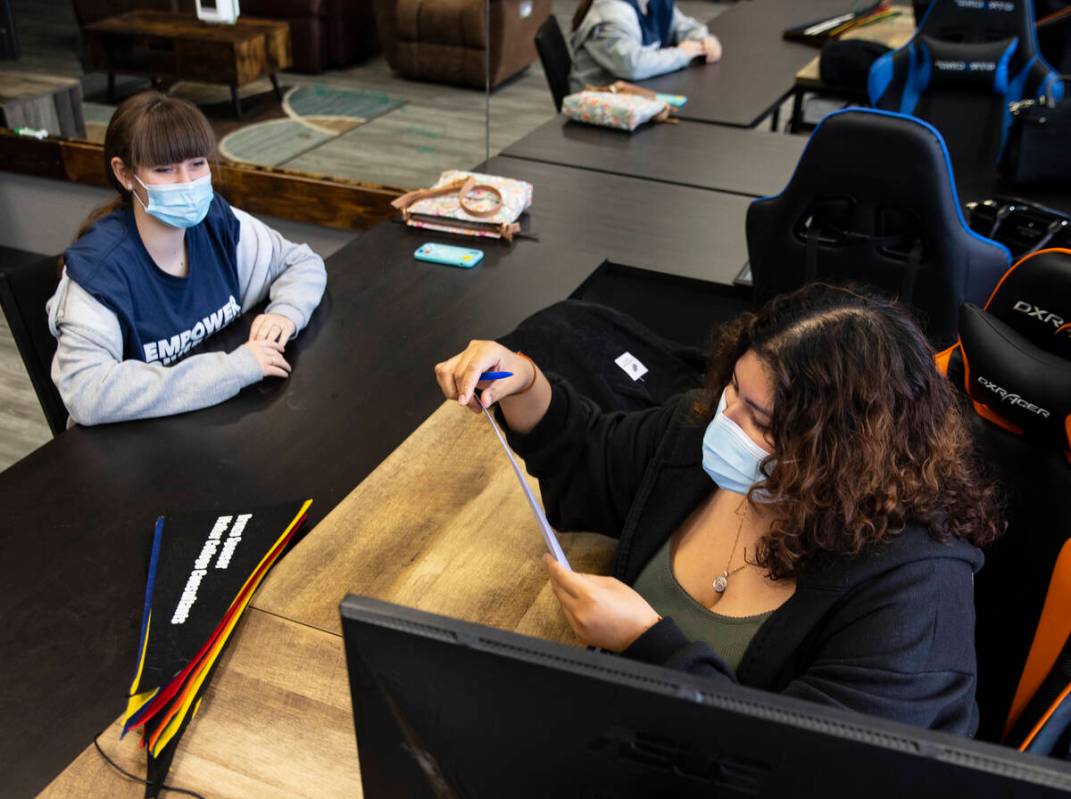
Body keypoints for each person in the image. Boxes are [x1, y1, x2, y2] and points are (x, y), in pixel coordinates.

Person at [434, 283, 1003, 735]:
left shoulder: (916, 594)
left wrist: (646, 644)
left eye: (761, 421)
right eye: (734, 388)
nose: (725, 419)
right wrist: (525, 380)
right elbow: (592, 457)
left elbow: (807, 765)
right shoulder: (696, 433)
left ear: (842, 452)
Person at [47, 91, 327, 426]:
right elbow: (87, 393)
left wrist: (285, 314)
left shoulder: (215, 220)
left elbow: (300, 262)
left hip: (215, 427)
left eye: (196, 164)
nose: (187, 183)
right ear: (124, 174)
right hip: (134, 453)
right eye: (164, 169)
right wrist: (233, 369)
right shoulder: (101, 271)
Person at [569, 0, 722, 91]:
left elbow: (681, 26)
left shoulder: (649, 2)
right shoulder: (611, 11)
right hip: (598, 106)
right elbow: (633, 66)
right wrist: (681, 54)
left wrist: (704, 39)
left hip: (634, 93)